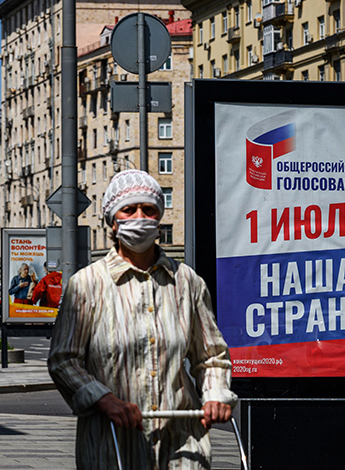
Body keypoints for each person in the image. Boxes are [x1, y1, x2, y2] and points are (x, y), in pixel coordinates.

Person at [48, 169, 237, 470]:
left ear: (159, 218)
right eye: (129, 209)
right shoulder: (87, 284)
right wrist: (103, 398)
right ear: (113, 220)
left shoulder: (186, 282)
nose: (140, 216)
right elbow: (63, 360)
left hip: (181, 444)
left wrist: (215, 394)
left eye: (149, 210)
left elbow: (211, 356)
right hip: (112, 444)